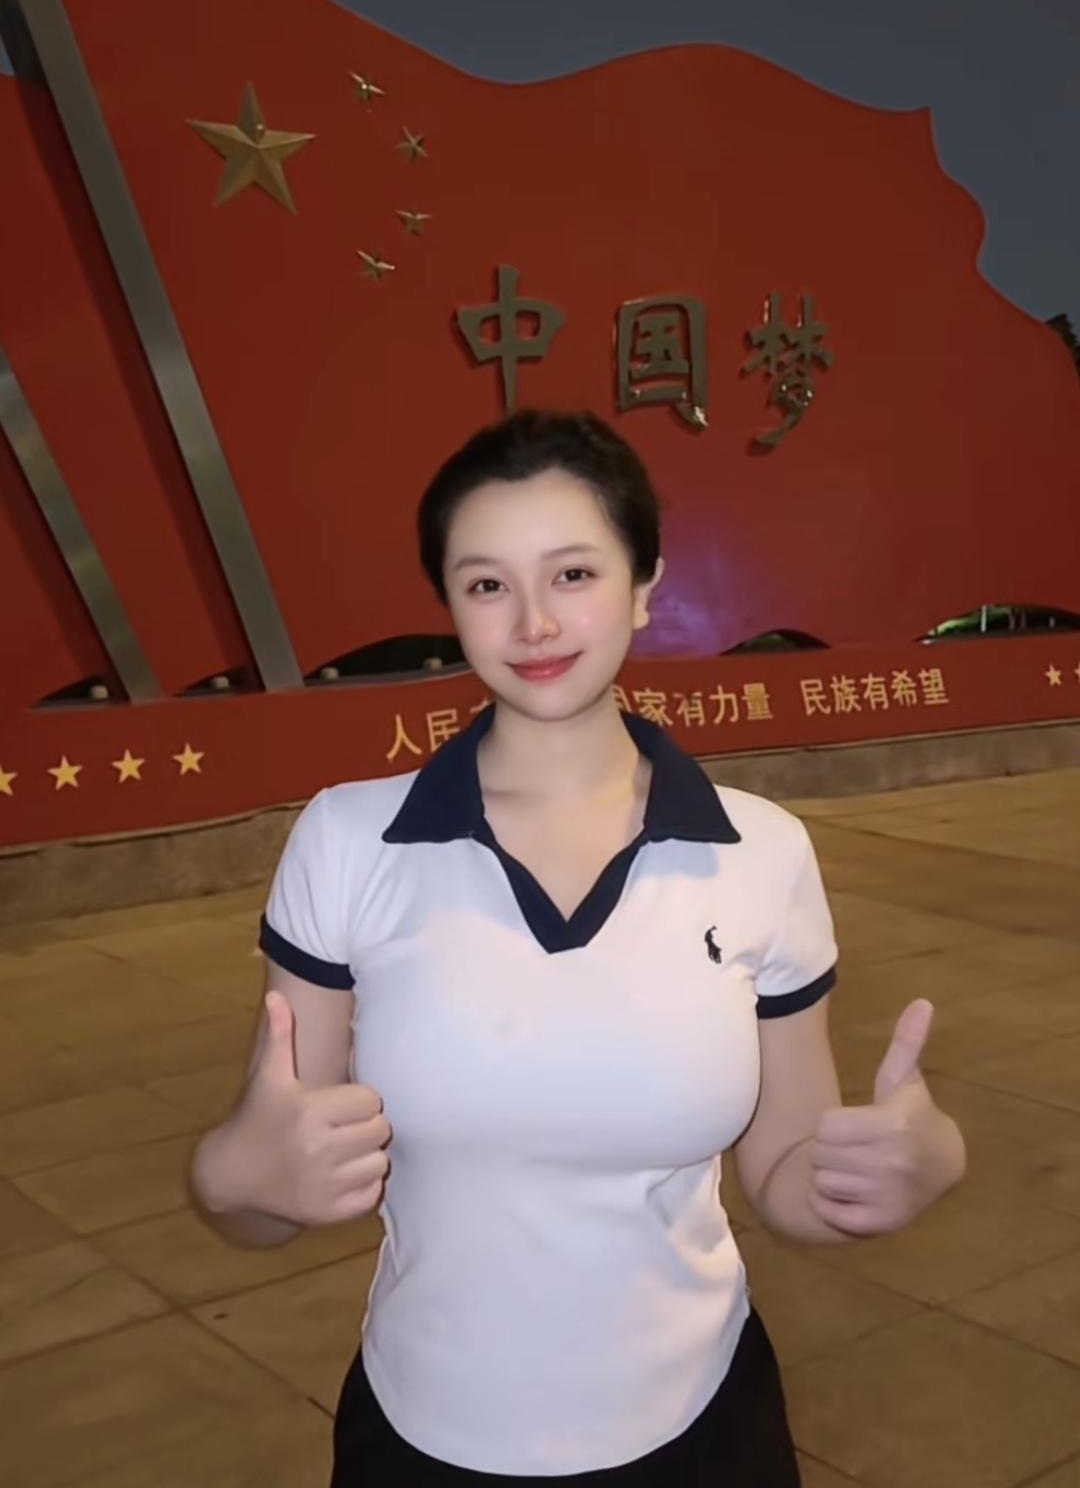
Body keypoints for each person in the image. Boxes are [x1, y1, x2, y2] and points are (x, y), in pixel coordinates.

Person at [190, 409, 966, 1485]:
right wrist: (235, 1175)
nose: (535, 621)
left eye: (573, 573)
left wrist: (900, 1173)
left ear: (645, 584)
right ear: (450, 604)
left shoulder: (760, 851)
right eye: (487, 583)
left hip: (702, 1425)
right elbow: (263, 1190)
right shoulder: (349, 839)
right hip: (425, 1429)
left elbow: (788, 1176)